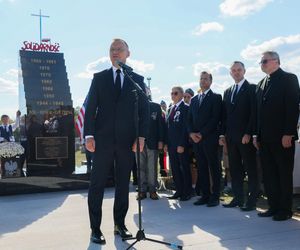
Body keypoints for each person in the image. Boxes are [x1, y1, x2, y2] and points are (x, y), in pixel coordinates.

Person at [84, 38, 149, 244]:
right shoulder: (99, 78)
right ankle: (95, 228)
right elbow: (90, 108)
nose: (115, 52)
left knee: (123, 185)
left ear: (128, 54)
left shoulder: (136, 80)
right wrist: (89, 135)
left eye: (119, 49)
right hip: (101, 141)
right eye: (112, 49)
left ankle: (119, 224)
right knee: (97, 185)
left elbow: (145, 111)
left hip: (126, 142)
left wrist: (141, 136)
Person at [254, 51, 300, 221]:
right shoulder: (260, 84)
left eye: (265, 61)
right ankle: (273, 206)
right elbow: (258, 113)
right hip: (264, 139)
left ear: (276, 61)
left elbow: (292, 107)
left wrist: (288, 132)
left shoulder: (289, 79)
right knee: (269, 174)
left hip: (282, 137)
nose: (262, 64)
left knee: (283, 173)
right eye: (261, 61)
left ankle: (285, 209)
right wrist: (256, 136)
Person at [220, 61, 259, 211]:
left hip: (245, 137)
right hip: (231, 138)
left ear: (244, 71)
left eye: (239, 70)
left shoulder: (251, 89)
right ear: (230, 73)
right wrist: (222, 135)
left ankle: (252, 201)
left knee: (251, 169)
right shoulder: (228, 91)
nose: (236, 72)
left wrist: (248, 132)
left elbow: (253, 113)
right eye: (234, 70)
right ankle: (238, 198)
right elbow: (225, 116)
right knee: (235, 169)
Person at [188, 71, 222, 207]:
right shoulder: (194, 100)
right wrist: (191, 133)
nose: (203, 81)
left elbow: (215, 119)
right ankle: (205, 195)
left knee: (214, 168)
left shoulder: (216, 97)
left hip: (210, 139)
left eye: (206, 79)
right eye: (201, 79)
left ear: (211, 81)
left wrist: (202, 133)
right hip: (196, 140)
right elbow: (189, 119)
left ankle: (215, 196)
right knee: (201, 167)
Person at [165, 86, 192, 201]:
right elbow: (168, 128)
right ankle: (179, 191)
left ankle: (187, 192)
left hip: (181, 145)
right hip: (171, 145)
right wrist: (166, 143)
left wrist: (182, 144)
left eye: (175, 93)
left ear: (181, 94)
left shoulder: (185, 107)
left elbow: (186, 127)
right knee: (175, 169)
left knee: (184, 168)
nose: (173, 95)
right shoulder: (171, 108)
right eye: (171, 93)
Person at [137, 93, 164, 200]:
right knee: (140, 167)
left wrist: (161, 140)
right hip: (138, 142)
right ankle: (142, 191)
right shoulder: (135, 107)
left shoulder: (156, 106)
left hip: (153, 142)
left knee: (152, 167)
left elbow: (160, 125)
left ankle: (153, 190)